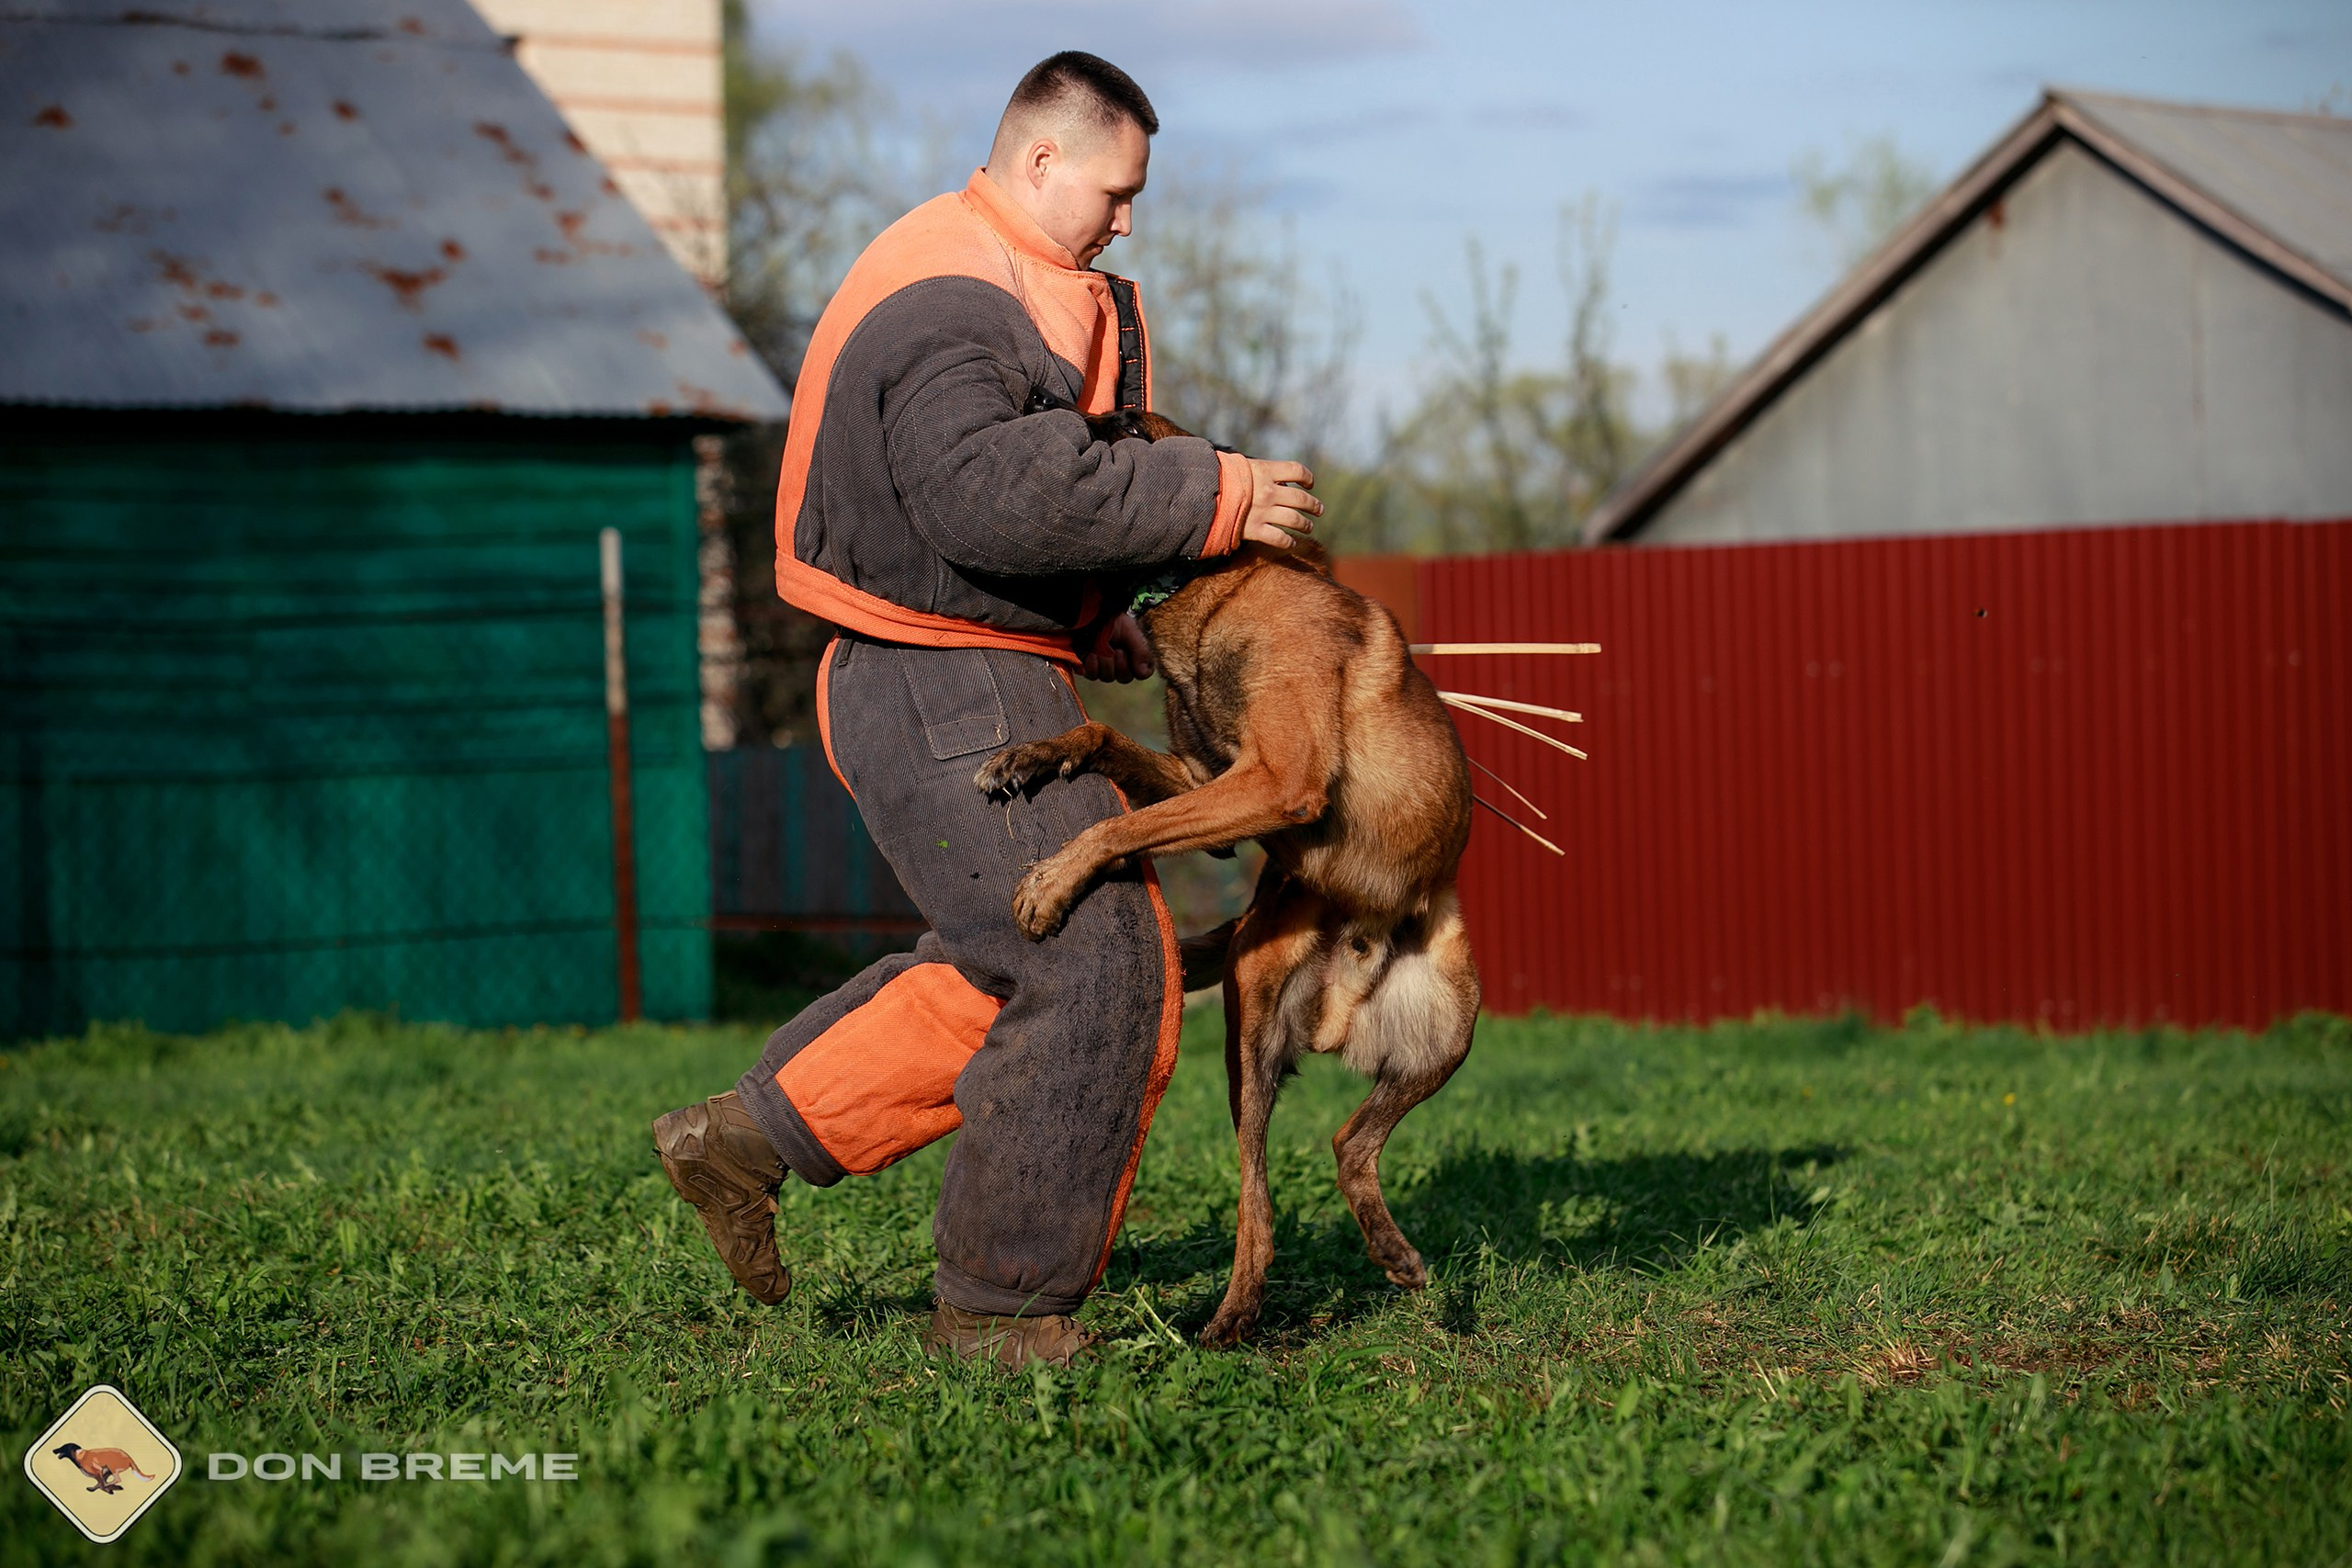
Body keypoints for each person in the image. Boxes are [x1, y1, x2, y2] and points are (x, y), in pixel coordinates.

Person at [651, 51, 1323, 1367]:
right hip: (933, 676)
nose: (1127, 219)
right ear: (1040, 163)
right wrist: (1212, 494)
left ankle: (743, 1140)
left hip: (948, 665)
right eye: (1115, 192)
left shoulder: (978, 273)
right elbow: (987, 492)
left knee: (1007, 952)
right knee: (1098, 956)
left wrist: (1095, 621)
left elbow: (976, 514)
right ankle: (1004, 1314)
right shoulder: (954, 298)